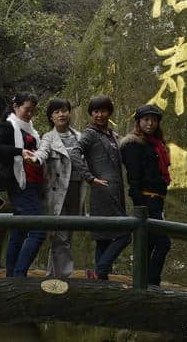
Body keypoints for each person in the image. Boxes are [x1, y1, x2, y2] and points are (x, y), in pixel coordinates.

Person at [70, 96, 130, 280]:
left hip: (115, 191)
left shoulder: (111, 134)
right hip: (102, 191)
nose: (99, 115)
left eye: (103, 111)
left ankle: (100, 281)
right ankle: (100, 271)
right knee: (125, 234)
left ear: (109, 112)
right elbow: (74, 153)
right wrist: (89, 177)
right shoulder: (90, 133)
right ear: (91, 113)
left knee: (104, 239)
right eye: (95, 111)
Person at [0, 91, 44, 277]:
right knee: (38, 229)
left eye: (32, 111)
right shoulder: (8, 126)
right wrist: (20, 152)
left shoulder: (31, 130)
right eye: (26, 110)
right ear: (16, 107)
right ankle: (20, 274)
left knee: (19, 231)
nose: (29, 114)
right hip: (20, 184)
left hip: (34, 183)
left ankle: (11, 275)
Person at [32, 98, 88, 279]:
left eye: (64, 110)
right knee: (60, 236)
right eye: (56, 112)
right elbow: (42, 152)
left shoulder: (79, 137)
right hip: (57, 193)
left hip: (76, 189)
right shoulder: (48, 137)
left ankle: (53, 275)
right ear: (51, 117)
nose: (61, 114)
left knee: (66, 235)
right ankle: (62, 278)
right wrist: (34, 159)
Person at [120, 104, 171, 285]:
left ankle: (142, 281)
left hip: (157, 199)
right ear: (139, 122)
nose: (150, 123)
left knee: (149, 243)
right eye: (146, 120)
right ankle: (152, 281)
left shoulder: (156, 144)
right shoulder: (133, 144)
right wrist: (140, 205)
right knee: (163, 243)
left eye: (154, 120)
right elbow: (134, 177)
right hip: (146, 199)